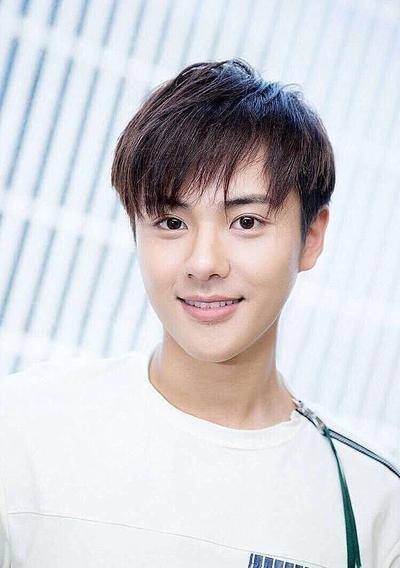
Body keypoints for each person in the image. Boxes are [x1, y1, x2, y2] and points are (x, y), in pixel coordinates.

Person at [0, 58, 399, 567]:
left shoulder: (371, 505)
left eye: (246, 221)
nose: (204, 263)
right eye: (171, 222)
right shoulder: (22, 429)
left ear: (311, 237)